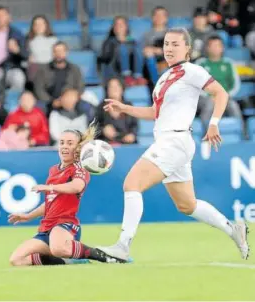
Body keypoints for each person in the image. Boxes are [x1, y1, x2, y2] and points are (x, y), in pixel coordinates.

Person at [98, 28, 249, 262]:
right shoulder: (165, 77)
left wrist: (214, 124)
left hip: (174, 141)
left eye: (175, 44)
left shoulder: (192, 71)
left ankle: (123, 246)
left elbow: (221, 94)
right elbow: (155, 113)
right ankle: (233, 230)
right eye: (167, 44)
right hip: (172, 141)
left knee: (132, 184)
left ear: (187, 48)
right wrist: (125, 108)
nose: (169, 48)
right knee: (186, 205)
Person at [8, 123, 113, 266]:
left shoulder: (79, 168)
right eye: (62, 142)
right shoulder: (53, 170)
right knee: (16, 260)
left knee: (57, 247)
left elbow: (77, 186)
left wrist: (50, 187)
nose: (64, 146)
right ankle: (69, 260)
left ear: (78, 148)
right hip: (46, 228)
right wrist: (28, 216)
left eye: (70, 143)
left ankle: (104, 255)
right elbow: (50, 203)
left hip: (65, 224)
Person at [196, 35, 242, 126]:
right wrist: (210, 96)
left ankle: (243, 134)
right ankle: (205, 135)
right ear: (207, 48)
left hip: (225, 96)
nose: (215, 48)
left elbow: (235, 84)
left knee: (234, 106)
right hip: (205, 98)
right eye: (212, 46)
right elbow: (197, 85)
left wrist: (225, 95)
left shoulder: (229, 63)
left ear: (222, 48)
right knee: (209, 105)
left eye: (217, 45)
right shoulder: (201, 63)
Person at [97, 16, 147, 86]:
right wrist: (118, 43)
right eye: (116, 25)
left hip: (132, 71)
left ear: (126, 27)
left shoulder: (133, 42)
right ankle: (126, 76)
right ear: (113, 28)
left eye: (121, 25)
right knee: (122, 47)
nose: (119, 27)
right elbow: (105, 57)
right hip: (115, 71)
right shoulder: (108, 42)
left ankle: (138, 76)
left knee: (138, 48)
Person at [95, 77, 138, 145]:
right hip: (106, 144)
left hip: (127, 143)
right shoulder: (100, 107)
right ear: (107, 90)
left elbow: (135, 126)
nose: (114, 89)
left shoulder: (128, 105)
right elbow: (93, 127)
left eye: (117, 86)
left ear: (122, 89)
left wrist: (132, 135)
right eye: (111, 87)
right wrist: (103, 130)